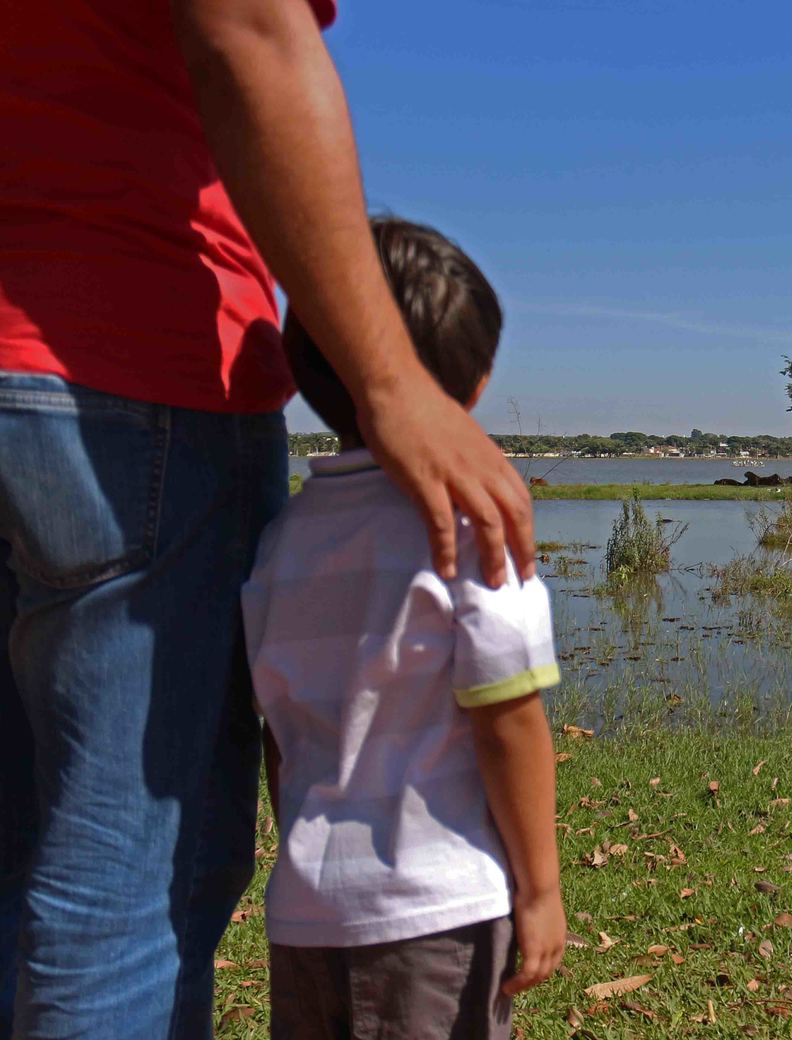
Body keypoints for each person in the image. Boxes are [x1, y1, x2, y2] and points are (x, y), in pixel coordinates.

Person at [0, 3, 534, 1035]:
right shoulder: (456, 543)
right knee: (125, 893)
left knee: (2, 860)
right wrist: (391, 378)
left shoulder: (296, 545)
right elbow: (246, 27)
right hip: (124, 364)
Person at [243, 217, 565, 1039]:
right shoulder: (474, 525)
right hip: (440, 913)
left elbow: (277, 734)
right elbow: (509, 720)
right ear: (479, 384)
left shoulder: (282, 538)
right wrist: (539, 889)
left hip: (306, 915)